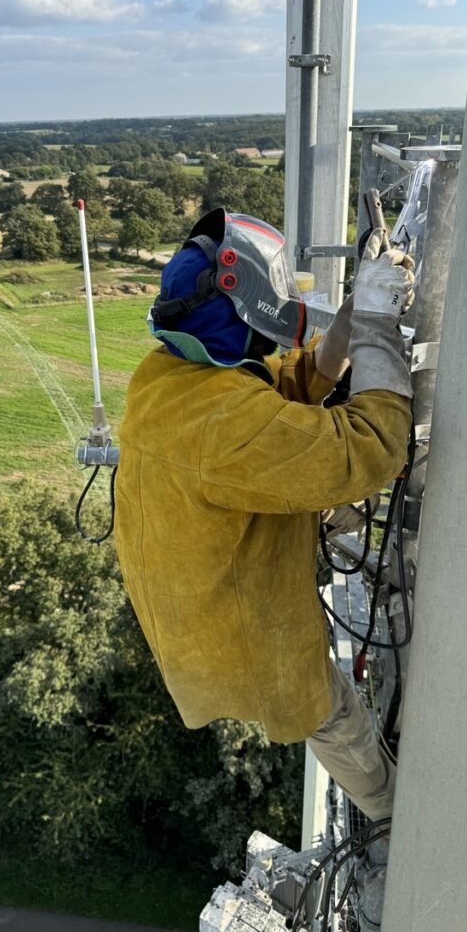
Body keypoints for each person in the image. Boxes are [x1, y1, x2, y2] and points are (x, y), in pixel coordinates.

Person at [114, 207, 413, 821]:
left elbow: (278, 387)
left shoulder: (167, 374)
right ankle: (395, 819)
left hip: (198, 585)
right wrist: (379, 327)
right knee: (324, 710)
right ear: (244, 312)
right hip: (238, 618)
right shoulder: (224, 428)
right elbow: (373, 448)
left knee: (324, 702)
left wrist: (355, 314)